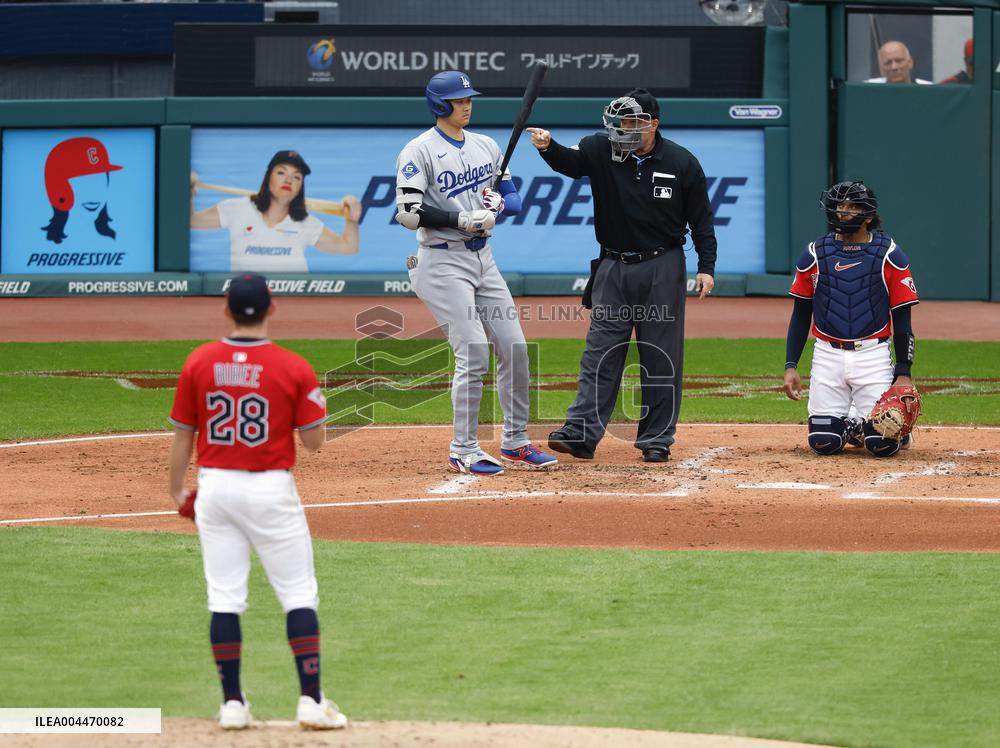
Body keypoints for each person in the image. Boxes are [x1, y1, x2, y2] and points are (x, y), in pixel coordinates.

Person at [167, 273, 348, 731]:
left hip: (215, 488)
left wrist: (178, 490)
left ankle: (232, 704)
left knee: (225, 597)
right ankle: (310, 700)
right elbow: (314, 443)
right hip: (269, 490)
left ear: (226, 309)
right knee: (297, 594)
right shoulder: (293, 366)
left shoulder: (199, 362)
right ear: (272, 309)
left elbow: (183, 435)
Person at [526, 89, 717, 464]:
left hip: (662, 266)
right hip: (612, 266)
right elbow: (572, 163)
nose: (623, 129)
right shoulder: (599, 150)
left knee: (661, 355)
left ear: (653, 124)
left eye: (632, 122)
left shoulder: (682, 162)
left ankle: (656, 439)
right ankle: (581, 433)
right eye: (619, 122)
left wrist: (706, 267)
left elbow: (702, 222)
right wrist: (548, 147)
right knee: (600, 351)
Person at [394, 70, 557, 475]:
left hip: (484, 260)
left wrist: (498, 205)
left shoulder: (485, 145)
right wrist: (460, 218)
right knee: (473, 352)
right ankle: (463, 449)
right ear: (438, 105)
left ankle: (516, 442)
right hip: (441, 262)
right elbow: (407, 213)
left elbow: (514, 199)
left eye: (469, 99)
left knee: (515, 349)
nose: (467, 105)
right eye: (459, 100)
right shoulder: (419, 150)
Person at [782, 180, 920, 457]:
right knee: (823, 443)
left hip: (873, 355)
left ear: (868, 216)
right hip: (827, 355)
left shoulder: (889, 254)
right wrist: (790, 365)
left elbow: (903, 320)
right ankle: (853, 424)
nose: (843, 212)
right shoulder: (813, 254)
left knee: (882, 445)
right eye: (839, 206)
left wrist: (903, 372)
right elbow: (800, 315)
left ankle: (876, 428)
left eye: (852, 207)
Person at [191, 150, 362, 272]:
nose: (289, 179)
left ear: (300, 187)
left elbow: (349, 247)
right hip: (248, 300)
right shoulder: (237, 208)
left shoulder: (306, 223)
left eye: (296, 177)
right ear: (268, 177)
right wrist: (187, 193)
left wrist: (351, 217)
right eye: (281, 172)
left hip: (295, 303)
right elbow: (191, 221)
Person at [42, 136, 122, 244]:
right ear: (58, 187)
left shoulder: (113, 241)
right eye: (84, 183)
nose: (94, 193)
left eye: (99, 182)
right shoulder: (39, 245)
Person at [865, 41, 932, 84]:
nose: (894, 67)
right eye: (888, 63)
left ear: (910, 63)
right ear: (881, 69)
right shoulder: (867, 91)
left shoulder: (929, 90)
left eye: (899, 61)